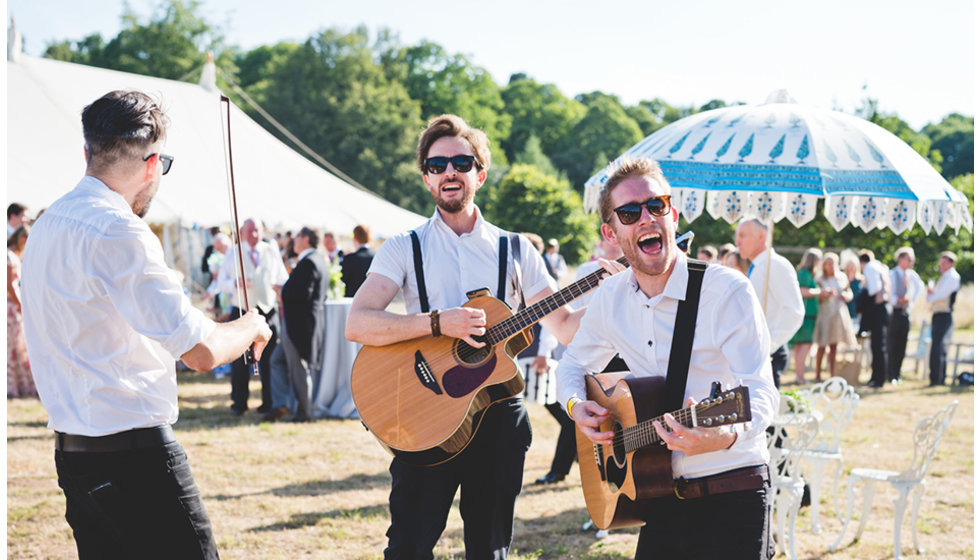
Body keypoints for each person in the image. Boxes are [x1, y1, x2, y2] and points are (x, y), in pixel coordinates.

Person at [345, 114, 620, 559]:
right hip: (424, 413)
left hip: (496, 417)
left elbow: (565, 325)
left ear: (480, 173)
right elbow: (358, 323)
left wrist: (614, 295)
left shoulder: (516, 249)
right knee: (408, 549)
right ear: (426, 178)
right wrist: (438, 323)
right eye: (437, 165)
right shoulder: (403, 246)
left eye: (460, 161)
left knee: (489, 551)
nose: (449, 172)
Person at [20, 89, 272, 560]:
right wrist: (252, 325)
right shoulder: (119, 228)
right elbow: (200, 353)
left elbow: (141, 320)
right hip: (135, 459)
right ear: (153, 164)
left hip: (74, 457)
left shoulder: (48, 224)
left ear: (87, 152)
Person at [557, 157, 778, 559]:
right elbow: (572, 365)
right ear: (611, 232)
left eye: (656, 205)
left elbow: (761, 392)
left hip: (733, 492)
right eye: (629, 212)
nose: (646, 218)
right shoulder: (611, 297)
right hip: (658, 498)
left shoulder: (726, 291)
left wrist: (723, 435)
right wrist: (576, 406)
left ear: (673, 214)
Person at [218, 217, 289, 415]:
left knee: (269, 358)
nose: (254, 235)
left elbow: (282, 278)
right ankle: (239, 403)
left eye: (257, 231)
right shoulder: (233, 252)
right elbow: (220, 283)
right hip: (241, 309)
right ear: (242, 232)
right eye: (249, 231)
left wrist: (279, 289)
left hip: (267, 309)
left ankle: (268, 403)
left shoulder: (271, 250)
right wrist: (235, 283)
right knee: (239, 358)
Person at [735, 218, 805, 389]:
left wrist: (769, 346)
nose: (737, 243)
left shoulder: (775, 265)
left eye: (743, 236)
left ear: (761, 235)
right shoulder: (758, 266)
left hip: (768, 354)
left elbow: (795, 311)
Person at [280, 226, 330, 422]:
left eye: (298, 235)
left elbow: (301, 294)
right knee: (280, 362)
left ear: (307, 239)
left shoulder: (309, 262)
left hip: (299, 325)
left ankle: (305, 412)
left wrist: (282, 290)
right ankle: (284, 405)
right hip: (303, 323)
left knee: (299, 368)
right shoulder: (315, 260)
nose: (294, 239)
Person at [813, 253, 856, 380]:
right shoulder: (819, 279)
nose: (831, 266)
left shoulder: (842, 277)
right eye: (828, 263)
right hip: (825, 313)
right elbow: (816, 298)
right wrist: (823, 295)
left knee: (834, 345)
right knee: (822, 344)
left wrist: (846, 296)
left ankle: (832, 373)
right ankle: (818, 373)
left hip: (838, 313)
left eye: (833, 263)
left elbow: (849, 293)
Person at [886, 247, 924, 383]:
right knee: (892, 344)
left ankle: (898, 373)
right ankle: (890, 374)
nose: (911, 262)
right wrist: (898, 299)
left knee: (902, 344)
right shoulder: (892, 274)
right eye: (909, 259)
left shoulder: (912, 275)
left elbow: (920, 287)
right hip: (894, 312)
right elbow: (889, 293)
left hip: (905, 312)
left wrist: (910, 299)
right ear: (901, 259)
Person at [8, 225, 36, 398]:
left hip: (12, 305)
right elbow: (10, 286)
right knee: (15, 347)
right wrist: (20, 305)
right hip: (11, 306)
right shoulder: (10, 257)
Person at [925, 251, 960, 387]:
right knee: (938, 346)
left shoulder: (952, 277)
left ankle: (937, 378)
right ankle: (938, 377)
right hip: (938, 314)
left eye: (944, 262)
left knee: (938, 347)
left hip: (944, 314)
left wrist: (932, 295)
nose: (941, 265)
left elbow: (940, 295)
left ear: (951, 263)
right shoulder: (944, 277)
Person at [858, 249, 890, 388]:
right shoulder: (879, 266)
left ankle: (878, 378)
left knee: (877, 345)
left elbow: (874, 288)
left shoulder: (870, 267)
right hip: (880, 309)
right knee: (877, 345)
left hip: (876, 309)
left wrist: (864, 292)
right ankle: (877, 377)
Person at [790, 248, 822, 384]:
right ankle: (800, 377)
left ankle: (799, 375)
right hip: (806, 316)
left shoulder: (805, 273)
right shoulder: (804, 274)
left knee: (801, 347)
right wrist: (820, 291)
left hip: (807, 315)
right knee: (803, 346)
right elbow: (802, 291)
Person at [341, 224, 375, 297]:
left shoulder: (349, 258)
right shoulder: (376, 256)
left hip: (352, 301)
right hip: (372, 299)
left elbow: (342, 281)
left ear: (354, 239)